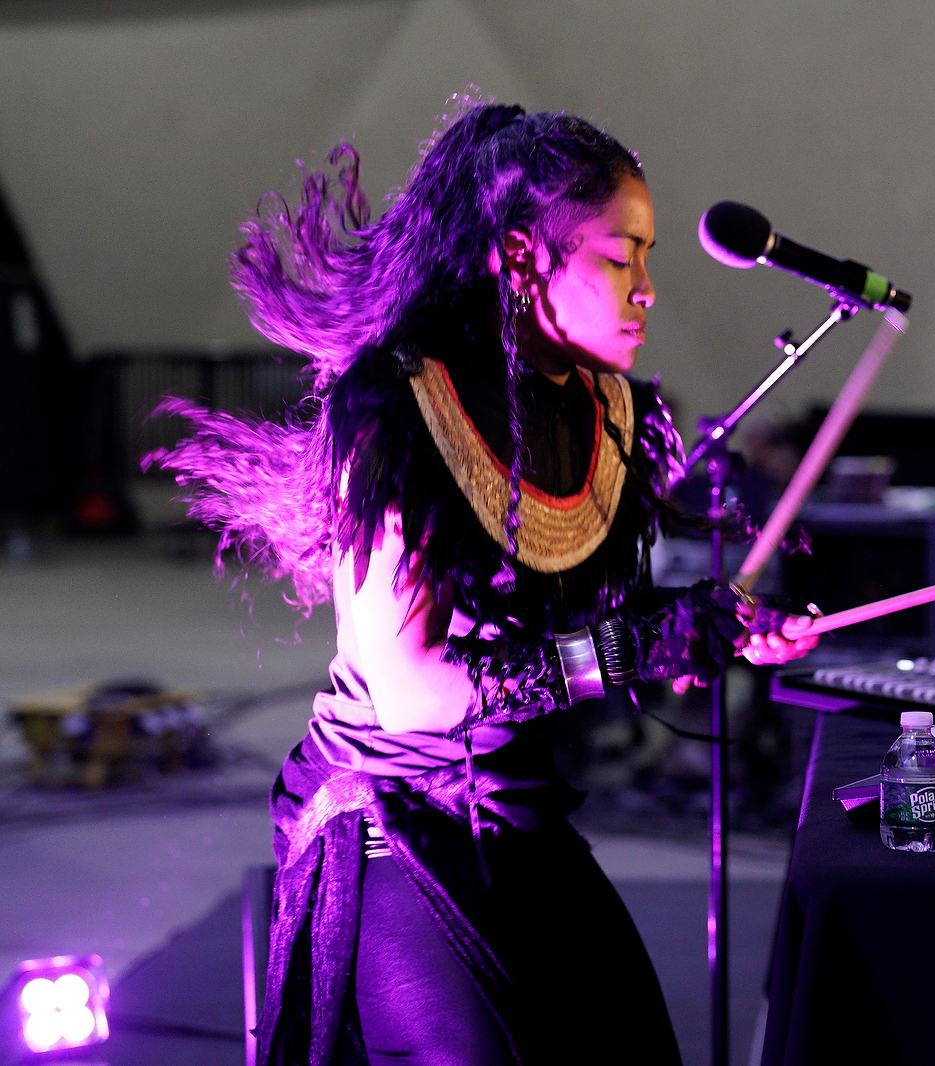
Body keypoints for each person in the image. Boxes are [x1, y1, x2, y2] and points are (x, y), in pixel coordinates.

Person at [153, 102, 817, 1066]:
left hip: (513, 809)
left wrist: (709, 629)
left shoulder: (602, 408)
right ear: (519, 259)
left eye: (649, 256)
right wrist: (637, 649)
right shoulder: (397, 402)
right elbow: (421, 694)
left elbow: (579, 631)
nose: (647, 290)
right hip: (395, 821)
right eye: (621, 255)